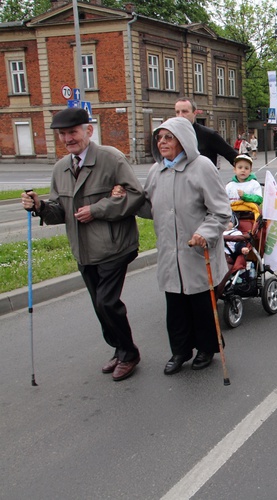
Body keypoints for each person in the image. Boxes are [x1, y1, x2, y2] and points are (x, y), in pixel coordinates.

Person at [20, 107, 145, 381]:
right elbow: (59, 212)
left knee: (107, 302)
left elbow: (136, 196)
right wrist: (40, 206)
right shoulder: (61, 168)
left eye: (73, 132)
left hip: (115, 246)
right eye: (63, 134)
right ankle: (119, 348)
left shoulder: (111, 159)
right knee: (98, 304)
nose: (68, 139)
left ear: (88, 130)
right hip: (83, 249)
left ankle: (130, 353)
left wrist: (97, 209)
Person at [135, 117, 232, 375]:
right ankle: (179, 351)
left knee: (201, 304)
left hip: (197, 251)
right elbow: (149, 209)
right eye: (160, 137)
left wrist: (204, 232)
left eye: (168, 137)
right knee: (175, 305)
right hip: (169, 251)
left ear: (183, 139)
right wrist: (129, 200)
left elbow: (222, 212)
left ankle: (206, 349)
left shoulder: (202, 167)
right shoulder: (157, 171)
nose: (162, 142)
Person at [174, 97, 237, 168]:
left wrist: (245, 175)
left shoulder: (208, 134)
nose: (180, 115)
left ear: (194, 113)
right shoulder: (172, 135)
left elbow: (234, 157)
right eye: (177, 112)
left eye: (184, 111)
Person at [226, 154, 263, 220]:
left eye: (246, 168)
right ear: (235, 170)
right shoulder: (230, 186)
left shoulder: (254, 184)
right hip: (232, 214)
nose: (243, 170)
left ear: (250, 170)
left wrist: (245, 196)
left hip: (249, 215)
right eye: (240, 167)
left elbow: (259, 199)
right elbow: (224, 200)